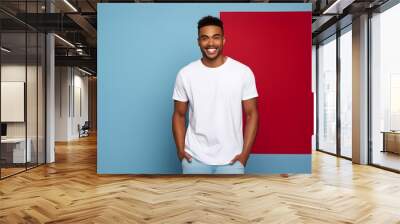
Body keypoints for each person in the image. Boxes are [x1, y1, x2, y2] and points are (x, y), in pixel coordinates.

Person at [172, 15, 259, 174]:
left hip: (232, 160)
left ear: (224, 40)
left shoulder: (243, 72)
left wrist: (244, 155)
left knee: (229, 200)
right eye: (205, 38)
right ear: (198, 41)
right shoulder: (185, 74)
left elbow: (252, 114)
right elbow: (178, 114)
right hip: (194, 159)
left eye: (216, 37)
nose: (211, 43)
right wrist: (180, 151)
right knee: (193, 200)